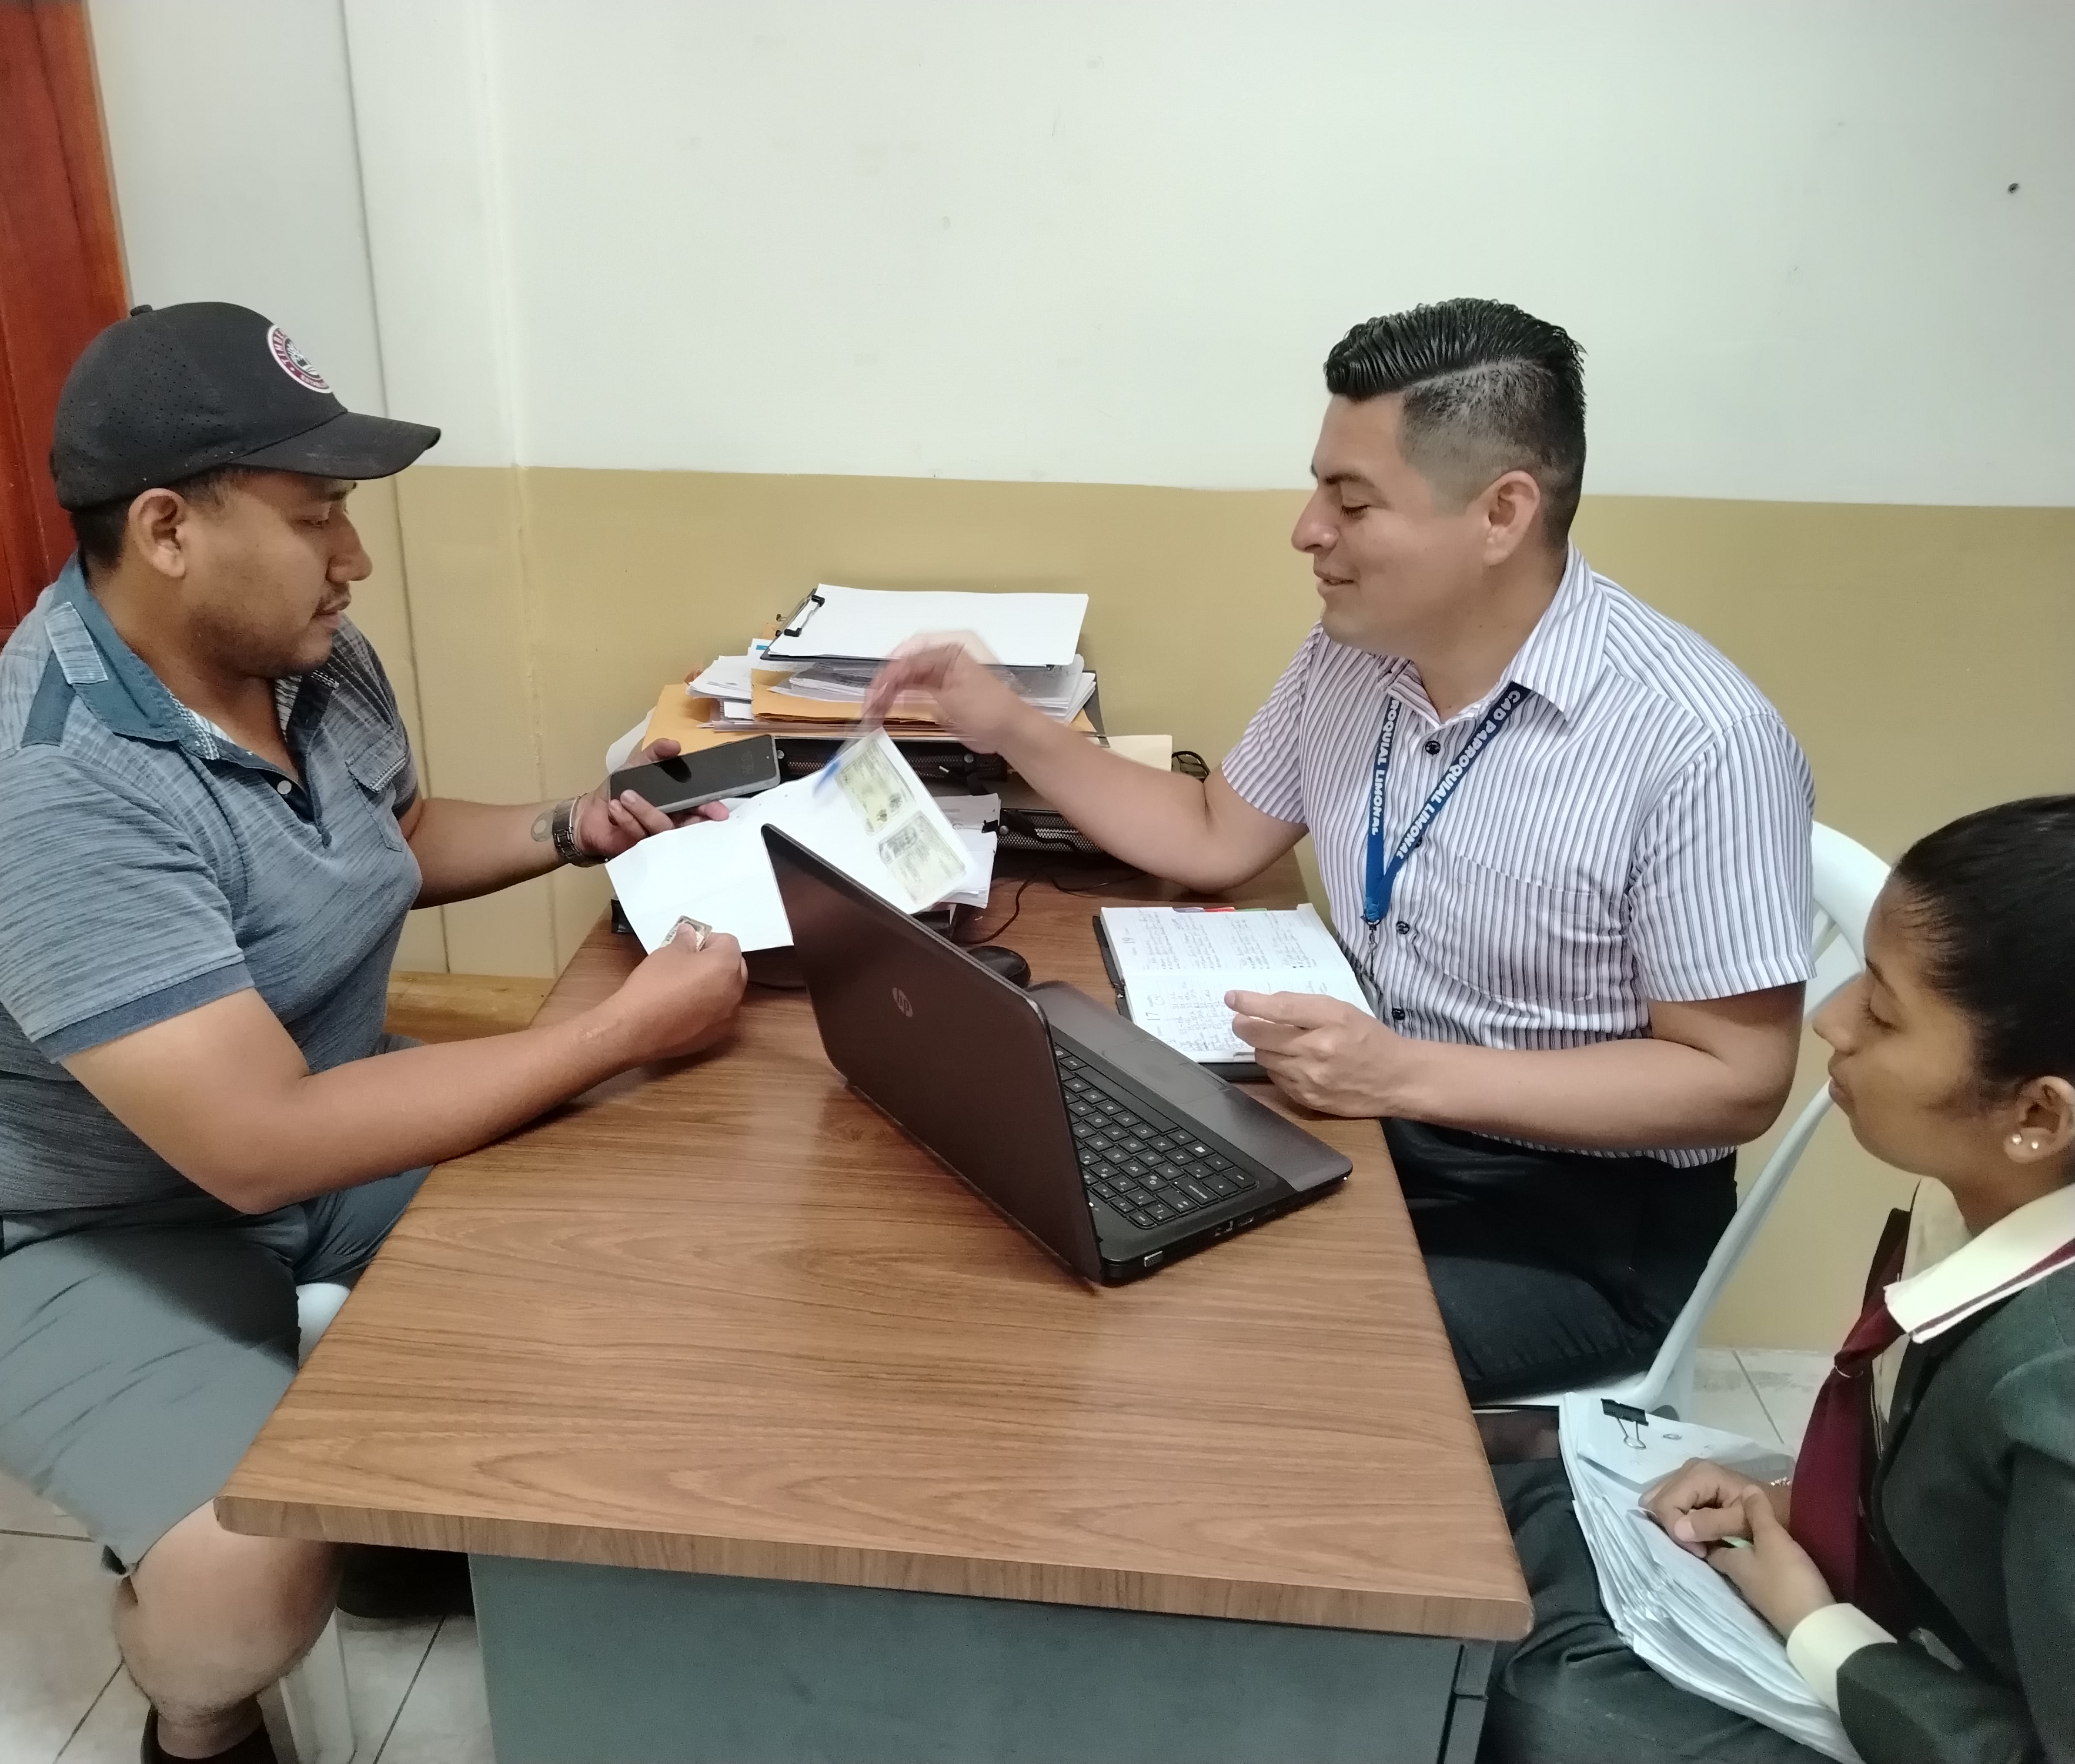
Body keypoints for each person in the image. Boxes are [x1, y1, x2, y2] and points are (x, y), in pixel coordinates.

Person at [0, 303, 749, 1764]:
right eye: (316, 514)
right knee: (245, 1576)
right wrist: (611, 1029)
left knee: (639, 1212)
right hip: (64, 1222)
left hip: (300, 1109)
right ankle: (197, 1724)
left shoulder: (298, 658)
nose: (354, 558)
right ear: (167, 528)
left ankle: (400, 1527)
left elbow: (383, 838)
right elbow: (256, 1148)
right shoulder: (56, 786)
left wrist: (572, 827)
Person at [864, 298, 1813, 1404]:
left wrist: (1399, 1073)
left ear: (1503, 512)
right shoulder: (1358, 655)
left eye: (1352, 502)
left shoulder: (1700, 740)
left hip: (1576, 1222)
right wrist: (1012, 726)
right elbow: (1215, 834)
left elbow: (1736, 1081)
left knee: (1182, 1348)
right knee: (1040, 1213)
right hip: (1376, 1125)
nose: (1308, 530)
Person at [1486, 795, 2075, 1762]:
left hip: (1930, 1700)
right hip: (1909, 1624)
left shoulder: (2055, 1381)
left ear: (2039, 1117)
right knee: (1531, 1496)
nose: (1833, 1021)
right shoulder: (1979, 1214)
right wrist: (1811, 1505)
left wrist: (1818, 1628)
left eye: (1880, 1010)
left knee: (1557, 1713)